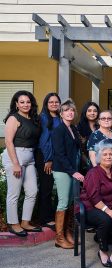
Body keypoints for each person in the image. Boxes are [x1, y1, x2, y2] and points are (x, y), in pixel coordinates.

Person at [78, 141, 112, 268]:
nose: (108, 157)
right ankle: (103, 251)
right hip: (89, 208)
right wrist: (108, 211)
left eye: (111, 154)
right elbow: (94, 198)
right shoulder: (94, 173)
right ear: (99, 157)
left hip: (109, 206)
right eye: (105, 154)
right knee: (105, 219)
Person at [2, 90, 41, 237]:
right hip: (15, 156)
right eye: (22, 102)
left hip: (29, 157)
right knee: (14, 193)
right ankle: (14, 224)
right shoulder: (13, 118)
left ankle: (25, 222)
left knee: (32, 191)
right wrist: (16, 164)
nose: (25, 104)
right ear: (16, 104)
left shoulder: (32, 118)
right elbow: (8, 142)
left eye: (28, 102)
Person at [52, 99, 85, 249]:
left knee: (71, 202)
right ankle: (59, 238)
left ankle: (68, 233)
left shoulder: (73, 128)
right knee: (63, 202)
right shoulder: (58, 130)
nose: (70, 112)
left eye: (72, 110)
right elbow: (59, 154)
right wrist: (73, 172)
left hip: (72, 170)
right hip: (63, 170)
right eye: (66, 110)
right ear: (61, 113)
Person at [35, 92, 61, 231]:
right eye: (51, 102)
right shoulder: (44, 118)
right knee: (46, 187)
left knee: (51, 187)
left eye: (56, 102)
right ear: (46, 104)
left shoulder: (59, 117)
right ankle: (45, 219)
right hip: (45, 156)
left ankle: (50, 215)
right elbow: (45, 141)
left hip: (56, 156)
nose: (54, 104)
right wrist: (48, 159)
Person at [77, 101, 100, 175]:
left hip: (101, 162)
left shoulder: (101, 127)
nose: (92, 113)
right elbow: (79, 148)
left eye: (95, 111)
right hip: (84, 163)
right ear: (85, 112)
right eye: (89, 111)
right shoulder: (79, 128)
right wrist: (88, 162)